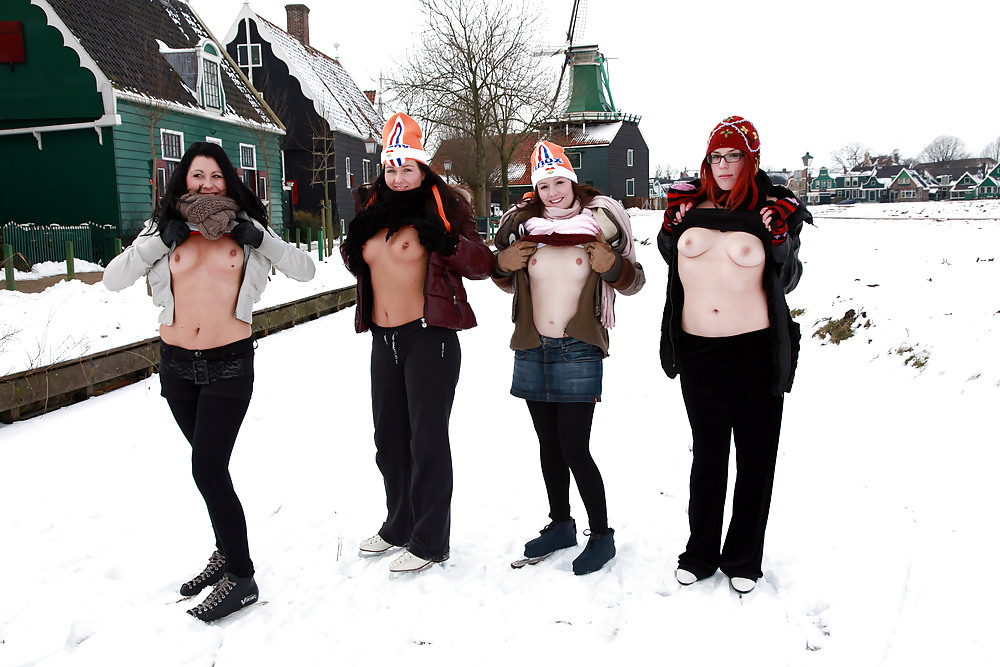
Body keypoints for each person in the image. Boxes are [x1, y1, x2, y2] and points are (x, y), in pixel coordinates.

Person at [103, 142, 316, 621]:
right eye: (197, 175)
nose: (206, 184)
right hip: (177, 366)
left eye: (216, 176)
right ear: (184, 178)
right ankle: (225, 552)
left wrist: (259, 239)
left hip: (229, 365)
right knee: (209, 468)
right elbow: (113, 280)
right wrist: (160, 241)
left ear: (229, 180)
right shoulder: (162, 228)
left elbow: (305, 270)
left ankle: (241, 576)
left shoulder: (248, 229)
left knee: (208, 468)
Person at [657, 116, 809, 594]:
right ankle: (700, 552)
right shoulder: (688, 206)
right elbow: (671, 259)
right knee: (707, 457)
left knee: (756, 459)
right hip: (699, 351)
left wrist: (781, 238)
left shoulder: (773, 210)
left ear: (751, 159)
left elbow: (788, 280)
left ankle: (743, 556)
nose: (723, 165)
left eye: (734, 155)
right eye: (715, 157)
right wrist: (669, 226)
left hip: (755, 352)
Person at [341, 113, 495, 573]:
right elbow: (364, 264)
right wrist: (353, 246)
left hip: (430, 337)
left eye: (408, 167)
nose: (399, 176)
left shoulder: (444, 207)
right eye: (392, 168)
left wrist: (445, 241)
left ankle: (430, 540)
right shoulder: (371, 210)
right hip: (382, 338)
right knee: (389, 440)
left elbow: (483, 264)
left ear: (423, 168)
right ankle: (398, 525)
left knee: (426, 440)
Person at [493, 141, 645, 575]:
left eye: (559, 182)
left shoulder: (600, 222)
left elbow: (635, 282)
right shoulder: (523, 224)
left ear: (572, 180)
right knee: (548, 446)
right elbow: (502, 276)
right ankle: (560, 524)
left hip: (579, 347)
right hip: (532, 346)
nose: (552, 192)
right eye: (543, 185)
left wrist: (611, 264)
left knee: (575, 447)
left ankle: (602, 536)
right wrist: (502, 263)